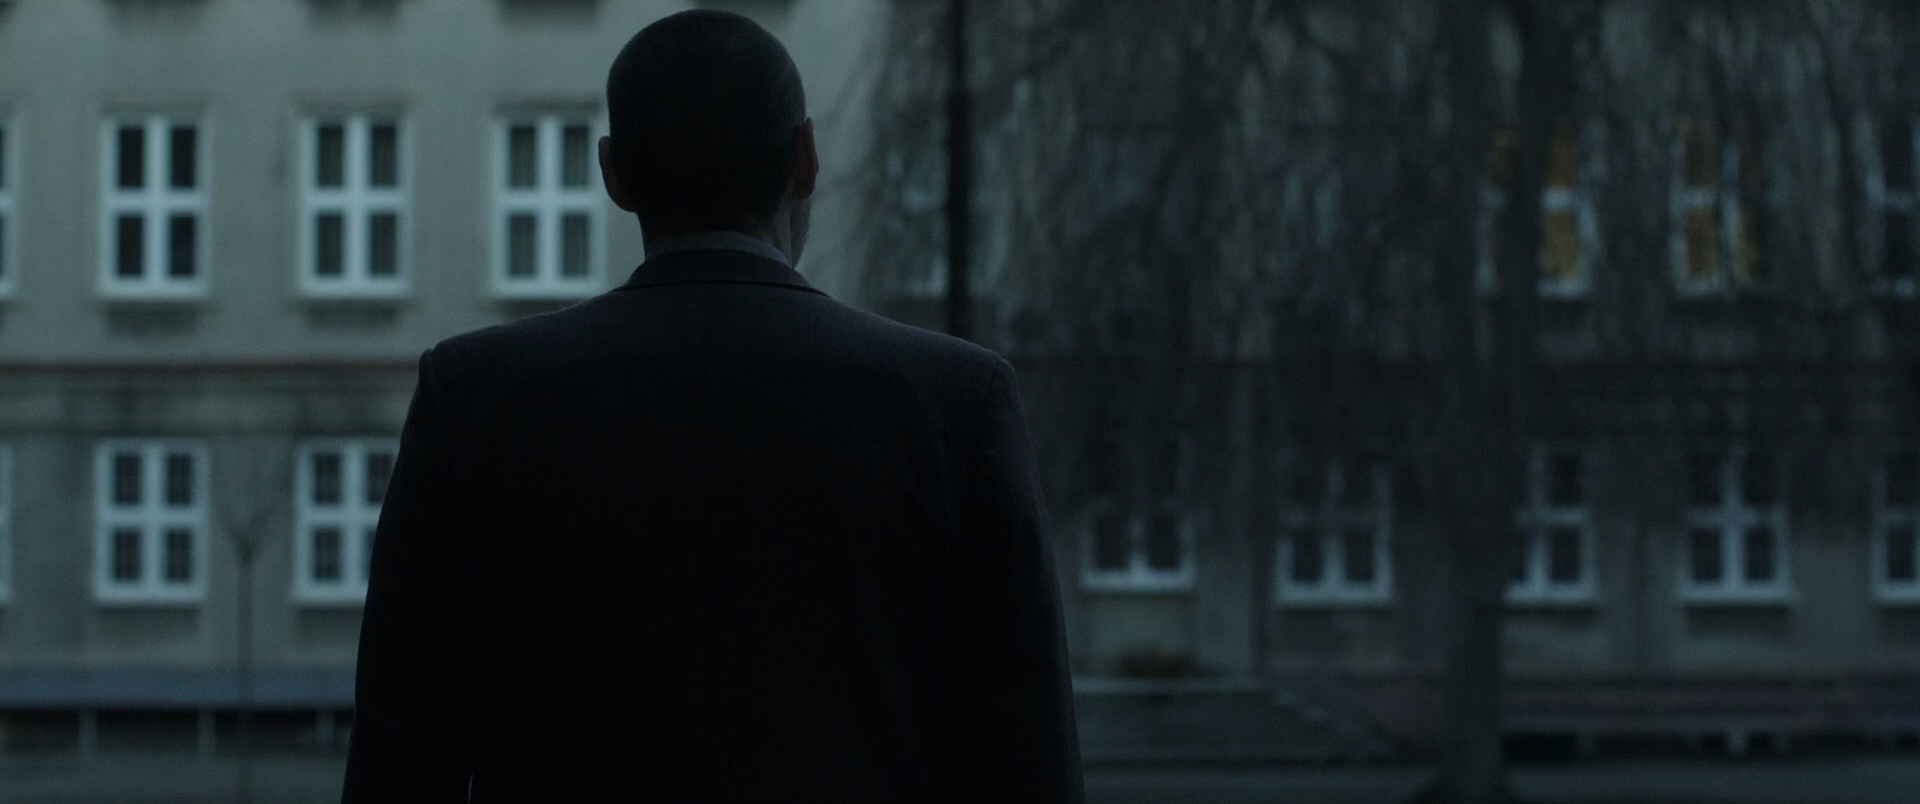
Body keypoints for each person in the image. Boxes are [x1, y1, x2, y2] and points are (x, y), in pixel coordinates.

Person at [340, 9, 1084, 803]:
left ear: (614, 174)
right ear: (805, 158)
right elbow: (1028, 769)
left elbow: (399, 765)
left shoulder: (475, 401)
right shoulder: (956, 405)